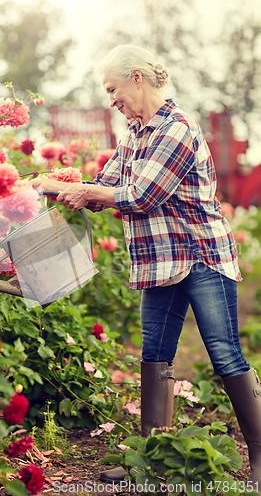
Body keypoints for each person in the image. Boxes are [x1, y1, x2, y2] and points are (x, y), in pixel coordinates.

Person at [32, 44, 261, 487]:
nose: (111, 99)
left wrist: (88, 192)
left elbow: (140, 195)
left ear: (137, 77)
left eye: (113, 88)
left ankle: (260, 454)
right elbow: (106, 186)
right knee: (155, 355)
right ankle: (152, 460)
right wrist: (56, 188)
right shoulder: (134, 132)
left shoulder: (177, 129)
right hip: (160, 263)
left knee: (223, 352)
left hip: (200, 256)